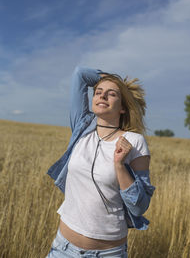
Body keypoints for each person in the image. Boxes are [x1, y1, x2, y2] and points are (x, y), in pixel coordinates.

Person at [46, 66, 155, 258]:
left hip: (107, 254)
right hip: (63, 248)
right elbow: (80, 74)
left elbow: (140, 206)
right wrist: (114, 80)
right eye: (98, 92)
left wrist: (119, 166)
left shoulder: (134, 141)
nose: (102, 96)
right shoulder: (82, 126)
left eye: (111, 94)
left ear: (122, 107)